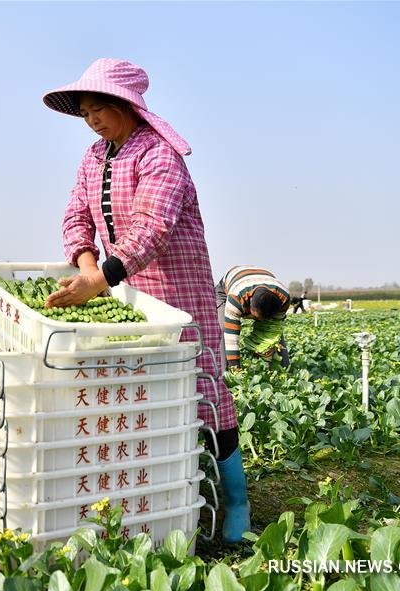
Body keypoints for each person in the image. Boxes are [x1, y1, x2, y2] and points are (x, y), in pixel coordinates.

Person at [42, 59, 250, 543]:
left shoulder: (159, 154)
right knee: (139, 395)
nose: (91, 119)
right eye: (86, 112)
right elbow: (75, 213)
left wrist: (101, 279)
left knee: (204, 391)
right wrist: (88, 264)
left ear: (127, 105)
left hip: (178, 294)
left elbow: (152, 228)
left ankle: (237, 501)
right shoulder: (94, 158)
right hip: (126, 296)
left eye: (100, 109)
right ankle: (153, 500)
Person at [216, 266, 291, 370]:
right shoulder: (236, 298)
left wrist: (265, 347)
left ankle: (283, 370)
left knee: (274, 333)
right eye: (258, 317)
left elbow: (274, 329)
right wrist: (235, 367)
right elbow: (231, 336)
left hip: (263, 281)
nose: (260, 321)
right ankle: (223, 374)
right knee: (222, 330)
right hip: (226, 288)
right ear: (249, 305)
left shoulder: (284, 299)